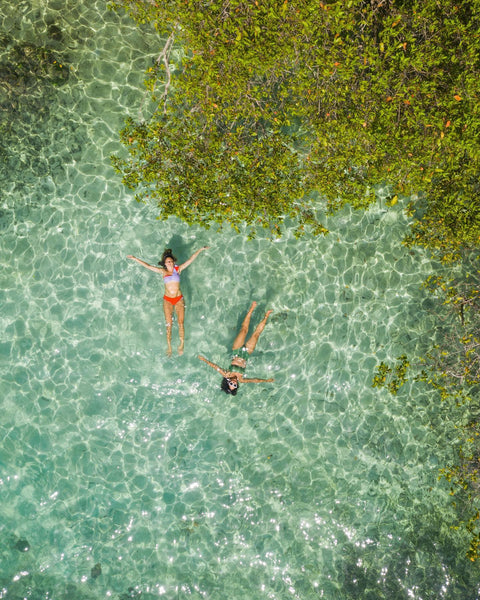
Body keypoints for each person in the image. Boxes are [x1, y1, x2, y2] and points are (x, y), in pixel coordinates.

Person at [127, 246, 209, 356]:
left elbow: (190, 260)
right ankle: (169, 347)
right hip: (167, 300)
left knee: (180, 323)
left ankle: (181, 344)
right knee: (169, 324)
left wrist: (200, 249)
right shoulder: (163, 272)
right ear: (164, 264)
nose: (169, 263)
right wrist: (134, 258)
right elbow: (148, 266)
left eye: (170, 261)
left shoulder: (178, 269)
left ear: (173, 261)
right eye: (167, 262)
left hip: (179, 299)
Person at [198, 301, 274, 395]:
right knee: (256, 335)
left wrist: (204, 359)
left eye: (231, 384)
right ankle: (266, 315)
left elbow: (214, 366)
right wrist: (266, 381)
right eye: (234, 385)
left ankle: (251, 309)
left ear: (227, 381)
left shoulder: (227, 374)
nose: (233, 383)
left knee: (244, 330)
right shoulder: (241, 379)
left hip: (237, 350)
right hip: (246, 354)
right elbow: (254, 380)